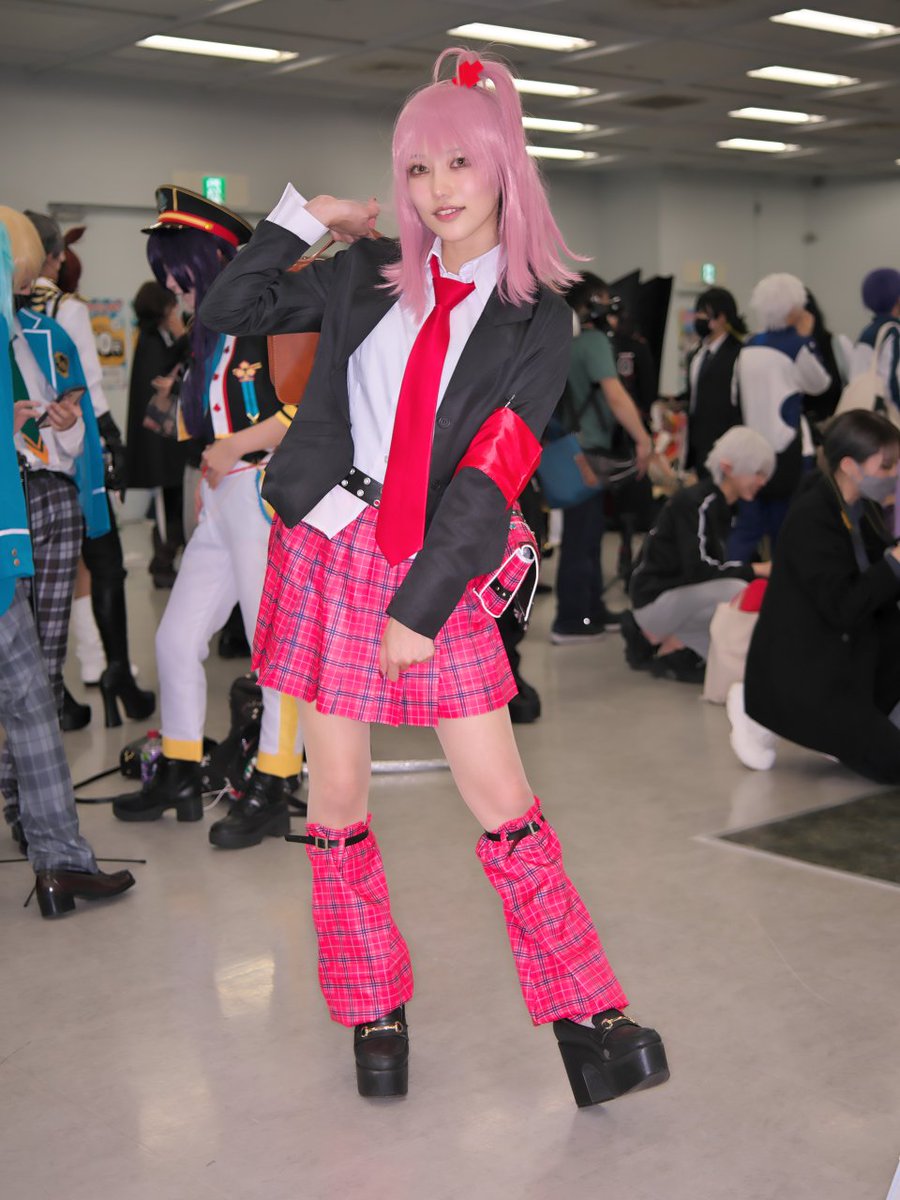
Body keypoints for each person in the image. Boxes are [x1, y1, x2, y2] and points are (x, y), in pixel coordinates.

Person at [200, 48, 670, 1106]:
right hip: (330, 539)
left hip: (436, 555)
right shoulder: (366, 272)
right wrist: (304, 217)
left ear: (506, 169)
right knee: (337, 791)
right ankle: (373, 1003)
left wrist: (420, 605)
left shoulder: (539, 317)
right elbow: (230, 307)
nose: (438, 189)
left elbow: (496, 471)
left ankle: (588, 1016)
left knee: (501, 793)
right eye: (418, 168)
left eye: (460, 162)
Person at [111, 186, 305, 850]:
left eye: (178, 272)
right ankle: (181, 767)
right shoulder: (208, 331)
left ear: (213, 260)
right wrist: (210, 468)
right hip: (222, 497)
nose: (171, 286)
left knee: (271, 648)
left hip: (264, 494)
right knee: (175, 638)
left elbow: (313, 410)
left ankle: (275, 779)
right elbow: (209, 420)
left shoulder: (275, 313)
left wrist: (234, 449)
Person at [0, 217, 135, 916]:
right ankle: (51, 845)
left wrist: (63, 423)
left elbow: (80, 435)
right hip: (7, 512)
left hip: (45, 502)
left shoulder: (43, 334)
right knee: (25, 689)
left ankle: (42, 834)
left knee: (37, 677)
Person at [25, 209, 155, 729]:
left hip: (25, 454)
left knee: (44, 571)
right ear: (53, 257)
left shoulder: (13, 308)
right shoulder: (65, 308)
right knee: (103, 558)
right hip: (73, 444)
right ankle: (114, 674)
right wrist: (114, 442)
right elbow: (89, 387)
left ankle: (62, 686)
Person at [729, 410, 900, 782]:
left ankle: (852, 729)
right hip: (809, 672)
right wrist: (894, 563)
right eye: (886, 466)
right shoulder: (813, 518)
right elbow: (845, 607)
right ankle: (758, 711)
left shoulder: (862, 507)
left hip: (852, 653)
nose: (895, 474)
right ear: (850, 466)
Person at [624, 426, 774, 682]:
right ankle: (653, 635)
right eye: (757, 473)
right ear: (728, 467)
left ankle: (674, 646)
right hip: (654, 603)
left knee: (725, 669)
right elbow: (700, 569)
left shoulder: (720, 506)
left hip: (675, 598)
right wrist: (758, 569)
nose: (762, 482)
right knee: (737, 591)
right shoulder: (696, 504)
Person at [551, 273, 653, 642]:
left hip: (571, 450)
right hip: (588, 453)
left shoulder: (562, 340)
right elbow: (615, 395)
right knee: (583, 536)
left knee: (588, 532)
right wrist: (643, 439)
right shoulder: (592, 342)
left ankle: (591, 609)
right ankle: (572, 618)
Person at [728, 272, 831, 561]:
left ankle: (731, 579)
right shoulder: (797, 346)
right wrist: (807, 338)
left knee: (747, 528)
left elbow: (734, 395)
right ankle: (782, 585)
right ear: (794, 307)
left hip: (751, 449)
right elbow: (820, 384)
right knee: (787, 529)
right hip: (790, 449)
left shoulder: (748, 346)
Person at [124, 279, 191, 588]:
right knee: (169, 507)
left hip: (164, 445)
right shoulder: (152, 341)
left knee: (172, 504)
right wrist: (182, 335)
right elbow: (173, 365)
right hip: (161, 446)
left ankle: (164, 562)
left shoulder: (151, 338)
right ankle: (162, 565)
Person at [681, 287, 744, 477]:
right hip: (698, 443)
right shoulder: (697, 354)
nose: (698, 318)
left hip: (725, 442)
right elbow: (694, 395)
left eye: (703, 313)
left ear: (722, 318)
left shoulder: (738, 353)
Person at [853, 268, 900, 417]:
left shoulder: (868, 332)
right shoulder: (893, 332)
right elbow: (892, 380)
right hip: (886, 416)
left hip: (865, 413)